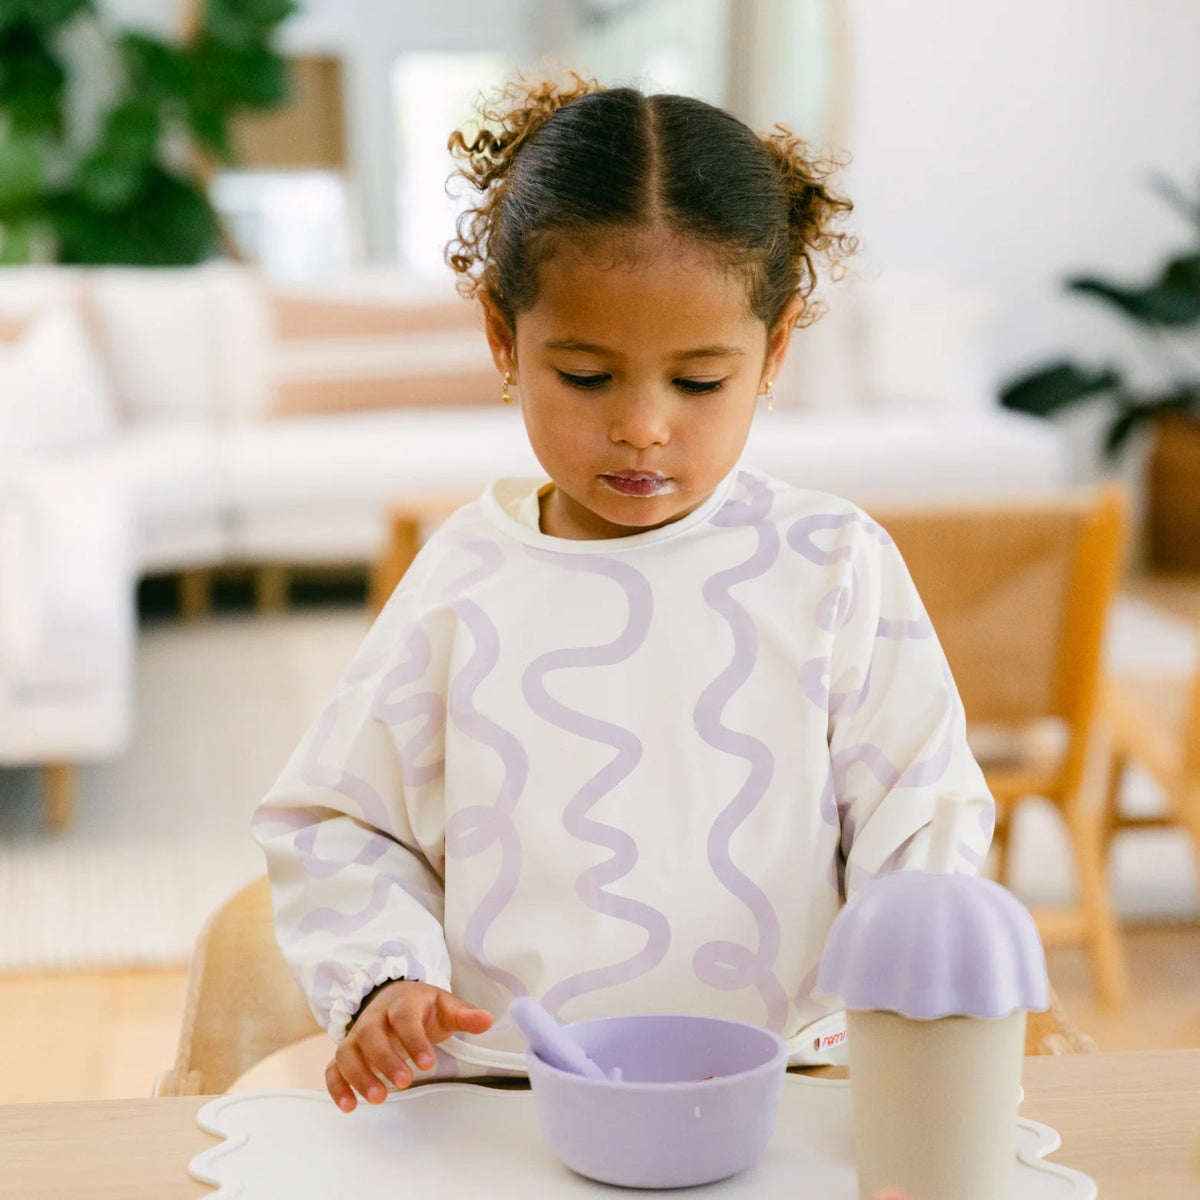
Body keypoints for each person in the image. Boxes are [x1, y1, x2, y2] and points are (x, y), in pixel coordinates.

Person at [252, 74, 993, 1126]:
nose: (643, 426)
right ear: (504, 338)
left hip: (791, 1087)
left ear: (775, 349)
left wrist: (911, 987)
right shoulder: (465, 577)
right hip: (512, 1092)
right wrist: (385, 979)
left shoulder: (832, 563)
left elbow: (923, 810)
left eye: (698, 383)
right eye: (588, 376)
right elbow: (340, 820)